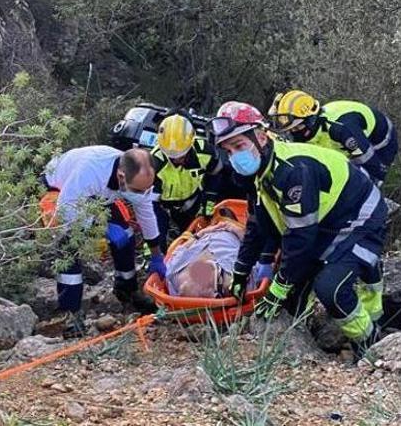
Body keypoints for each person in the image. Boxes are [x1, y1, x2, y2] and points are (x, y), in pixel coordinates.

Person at [211, 101, 388, 360]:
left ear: (261, 136)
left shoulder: (292, 171)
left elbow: (300, 240)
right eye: (228, 150)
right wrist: (241, 271)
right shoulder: (258, 173)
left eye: (239, 146)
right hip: (327, 220)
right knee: (292, 297)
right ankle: (315, 340)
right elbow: (257, 224)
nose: (235, 156)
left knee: (331, 289)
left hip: (361, 215)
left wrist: (278, 287)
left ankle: (371, 344)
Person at [41, 145, 167, 336]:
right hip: (59, 191)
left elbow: (146, 213)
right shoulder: (90, 172)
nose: (141, 195)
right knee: (69, 247)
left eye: (145, 190)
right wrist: (101, 227)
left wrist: (157, 254)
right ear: (121, 177)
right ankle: (70, 314)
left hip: (97, 197)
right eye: (137, 191)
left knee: (126, 234)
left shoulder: (135, 181)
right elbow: (67, 213)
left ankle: (127, 290)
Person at [267, 90, 398, 186]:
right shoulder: (311, 130)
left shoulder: (341, 128)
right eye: (290, 130)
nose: (293, 133)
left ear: (310, 120)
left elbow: (372, 164)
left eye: (296, 128)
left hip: (379, 143)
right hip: (345, 142)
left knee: (359, 179)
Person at [150, 114, 224, 251]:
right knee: (157, 236)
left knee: (195, 237)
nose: (177, 160)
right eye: (172, 156)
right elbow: (151, 205)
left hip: (193, 200)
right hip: (163, 206)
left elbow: (215, 174)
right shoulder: (155, 164)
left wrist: (208, 202)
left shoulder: (205, 152)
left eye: (182, 155)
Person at [164, 208, 273, 298]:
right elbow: (254, 250)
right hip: (218, 257)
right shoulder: (233, 232)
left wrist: (201, 233)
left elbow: (179, 250)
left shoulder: (232, 229)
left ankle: (213, 284)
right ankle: (215, 284)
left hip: (203, 258)